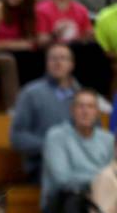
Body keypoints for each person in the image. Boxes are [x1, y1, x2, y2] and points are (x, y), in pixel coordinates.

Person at [42, 88, 115, 213]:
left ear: (97, 112)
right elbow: (62, 178)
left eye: (90, 106)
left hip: (99, 195)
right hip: (60, 199)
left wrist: (102, 183)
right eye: (80, 106)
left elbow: (113, 173)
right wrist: (99, 180)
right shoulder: (56, 136)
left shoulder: (107, 139)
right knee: (74, 195)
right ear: (72, 110)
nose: (85, 111)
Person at [36, 0, 113, 95]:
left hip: (76, 50)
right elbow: (40, 41)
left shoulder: (81, 10)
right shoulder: (42, 9)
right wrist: (54, 35)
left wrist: (89, 36)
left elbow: (87, 36)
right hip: (52, 49)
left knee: (95, 50)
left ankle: (97, 95)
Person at [10, 42, 80, 179]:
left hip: (79, 159)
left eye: (63, 58)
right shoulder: (30, 93)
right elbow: (17, 136)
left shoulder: (82, 95)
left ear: (72, 64)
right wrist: (51, 146)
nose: (58, 62)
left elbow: (95, 132)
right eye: (53, 58)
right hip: (42, 163)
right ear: (46, 63)